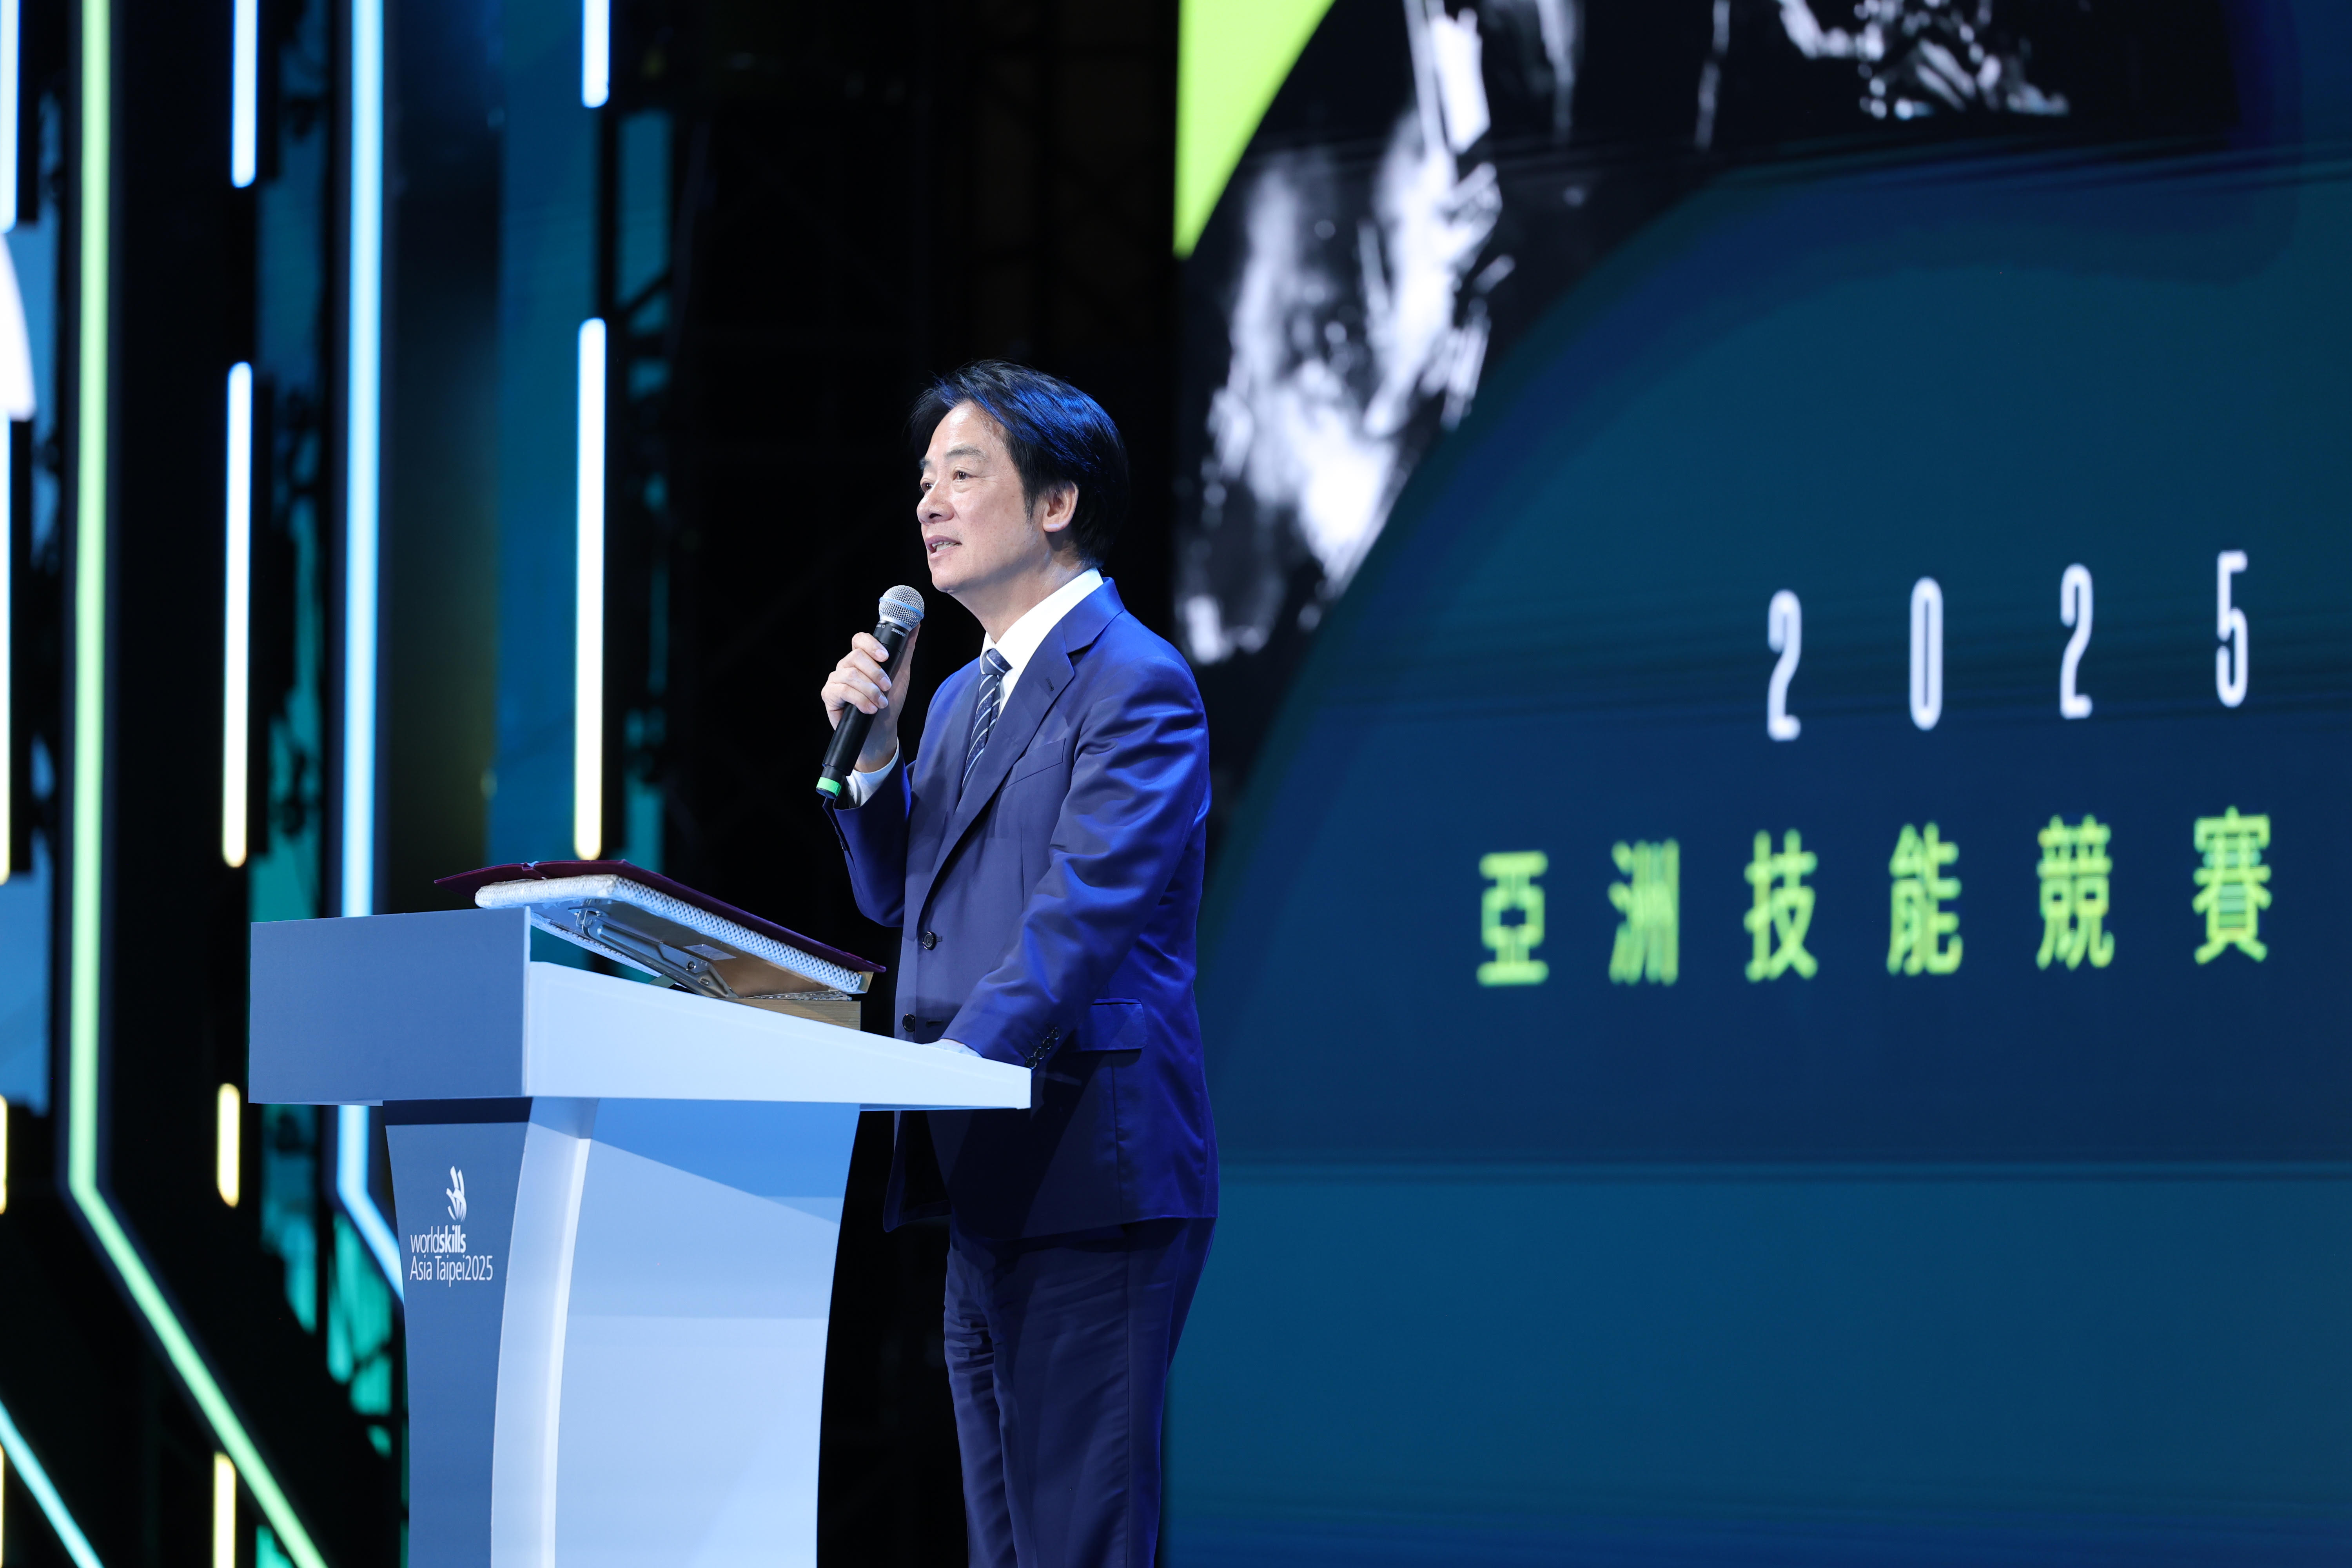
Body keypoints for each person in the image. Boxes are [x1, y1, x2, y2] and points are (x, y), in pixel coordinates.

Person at [819, 361, 1218, 1568]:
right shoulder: (952, 700)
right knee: (1006, 1550)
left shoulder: (1137, 683)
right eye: (923, 481)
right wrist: (877, 756)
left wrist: (946, 1073)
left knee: (1076, 1544)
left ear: (1056, 503)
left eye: (963, 474)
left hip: (1091, 1173)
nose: (929, 502)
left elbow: (1078, 923)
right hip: (985, 1179)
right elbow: (901, 900)